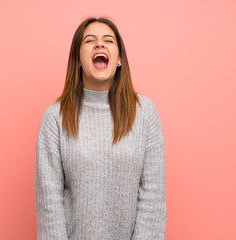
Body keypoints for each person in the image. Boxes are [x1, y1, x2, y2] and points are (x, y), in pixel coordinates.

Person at [35, 16, 166, 240]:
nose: (99, 44)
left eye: (108, 40)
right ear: (77, 59)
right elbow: (50, 205)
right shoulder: (54, 118)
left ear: (119, 60)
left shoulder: (145, 114)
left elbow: (153, 198)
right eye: (89, 40)